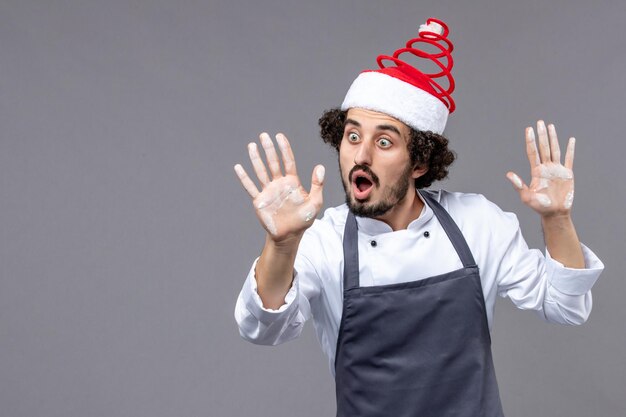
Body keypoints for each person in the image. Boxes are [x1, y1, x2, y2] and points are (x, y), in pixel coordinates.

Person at [233, 18, 603, 416]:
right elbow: (263, 328)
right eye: (353, 136)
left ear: (421, 162)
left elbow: (566, 306)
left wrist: (557, 219)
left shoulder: (476, 223)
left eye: (385, 141)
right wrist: (282, 244)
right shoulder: (323, 243)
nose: (361, 156)